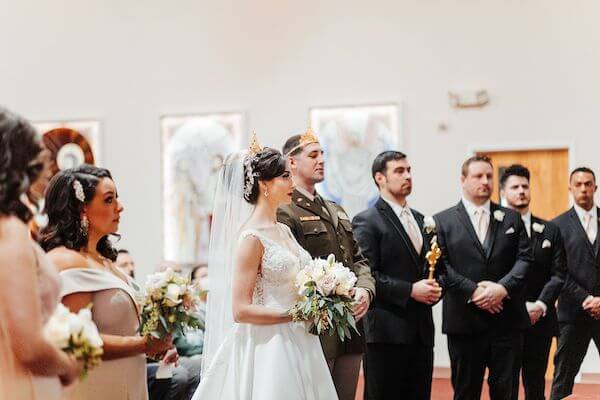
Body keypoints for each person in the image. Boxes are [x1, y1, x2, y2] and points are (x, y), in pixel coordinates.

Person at [191, 142, 338, 399]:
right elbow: (240, 310)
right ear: (264, 184)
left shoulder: (284, 230)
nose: (292, 182)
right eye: (284, 176)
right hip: (269, 344)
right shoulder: (251, 237)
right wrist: (293, 315)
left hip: (301, 338)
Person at [40, 165, 174, 400]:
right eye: (109, 200)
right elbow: (77, 340)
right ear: (82, 208)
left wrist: (156, 347)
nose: (119, 207)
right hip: (93, 388)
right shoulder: (67, 261)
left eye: (117, 198)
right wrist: (144, 345)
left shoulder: (106, 261)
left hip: (126, 383)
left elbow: (123, 330)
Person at [277, 129, 375, 400]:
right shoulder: (284, 211)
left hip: (350, 328)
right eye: (313, 155)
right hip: (315, 328)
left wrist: (365, 290)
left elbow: (358, 259)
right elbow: (289, 271)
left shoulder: (336, 209)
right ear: (291, 162)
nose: (321, 160)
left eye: (323, 154)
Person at [433, 155, 533, 400]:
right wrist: (474, 291)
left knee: (506, 392)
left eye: (489, 176)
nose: (486, 181)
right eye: (478, 176)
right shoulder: (442, 221)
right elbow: (441, 267)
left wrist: (501, 289)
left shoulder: (511, 218)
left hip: (506, 321)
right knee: (466, 392)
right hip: (465, 323)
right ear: (463, 179)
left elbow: (525, 259)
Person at [0, 107, 81, 399]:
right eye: (39, 157)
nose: (47, 168)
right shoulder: (9, 230)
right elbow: (28, 345)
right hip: (21, 384)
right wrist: (68, 365)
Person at [353, 151, 442, 400]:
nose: (407, 176)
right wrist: (411, 290)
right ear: (380, 178)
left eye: (409, 170)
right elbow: (367, 275)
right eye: (399, 171)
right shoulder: (367, 221)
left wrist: (437, 288)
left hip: (421, 331)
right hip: (386, 332)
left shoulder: (422, 220)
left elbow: (434, 268)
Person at [499, 164, 566, 400]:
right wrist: (519, 305)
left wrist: (540, 304)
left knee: (536, 384)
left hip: (541, 318)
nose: (521, 191)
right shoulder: (494, 229)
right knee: (506, 384)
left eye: (525, 186)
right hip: (505, 318)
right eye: (515, 187)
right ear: (503, 192)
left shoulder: (549, 229)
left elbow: (559, 274)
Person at [550, 167, 600, 400]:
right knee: (564, 374)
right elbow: (557, 271)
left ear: (595, 188)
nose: (583, 189)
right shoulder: (557, 226)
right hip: (572, 313)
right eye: (578, 184)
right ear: (570, 188)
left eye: (588, 184)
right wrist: (585, 299)